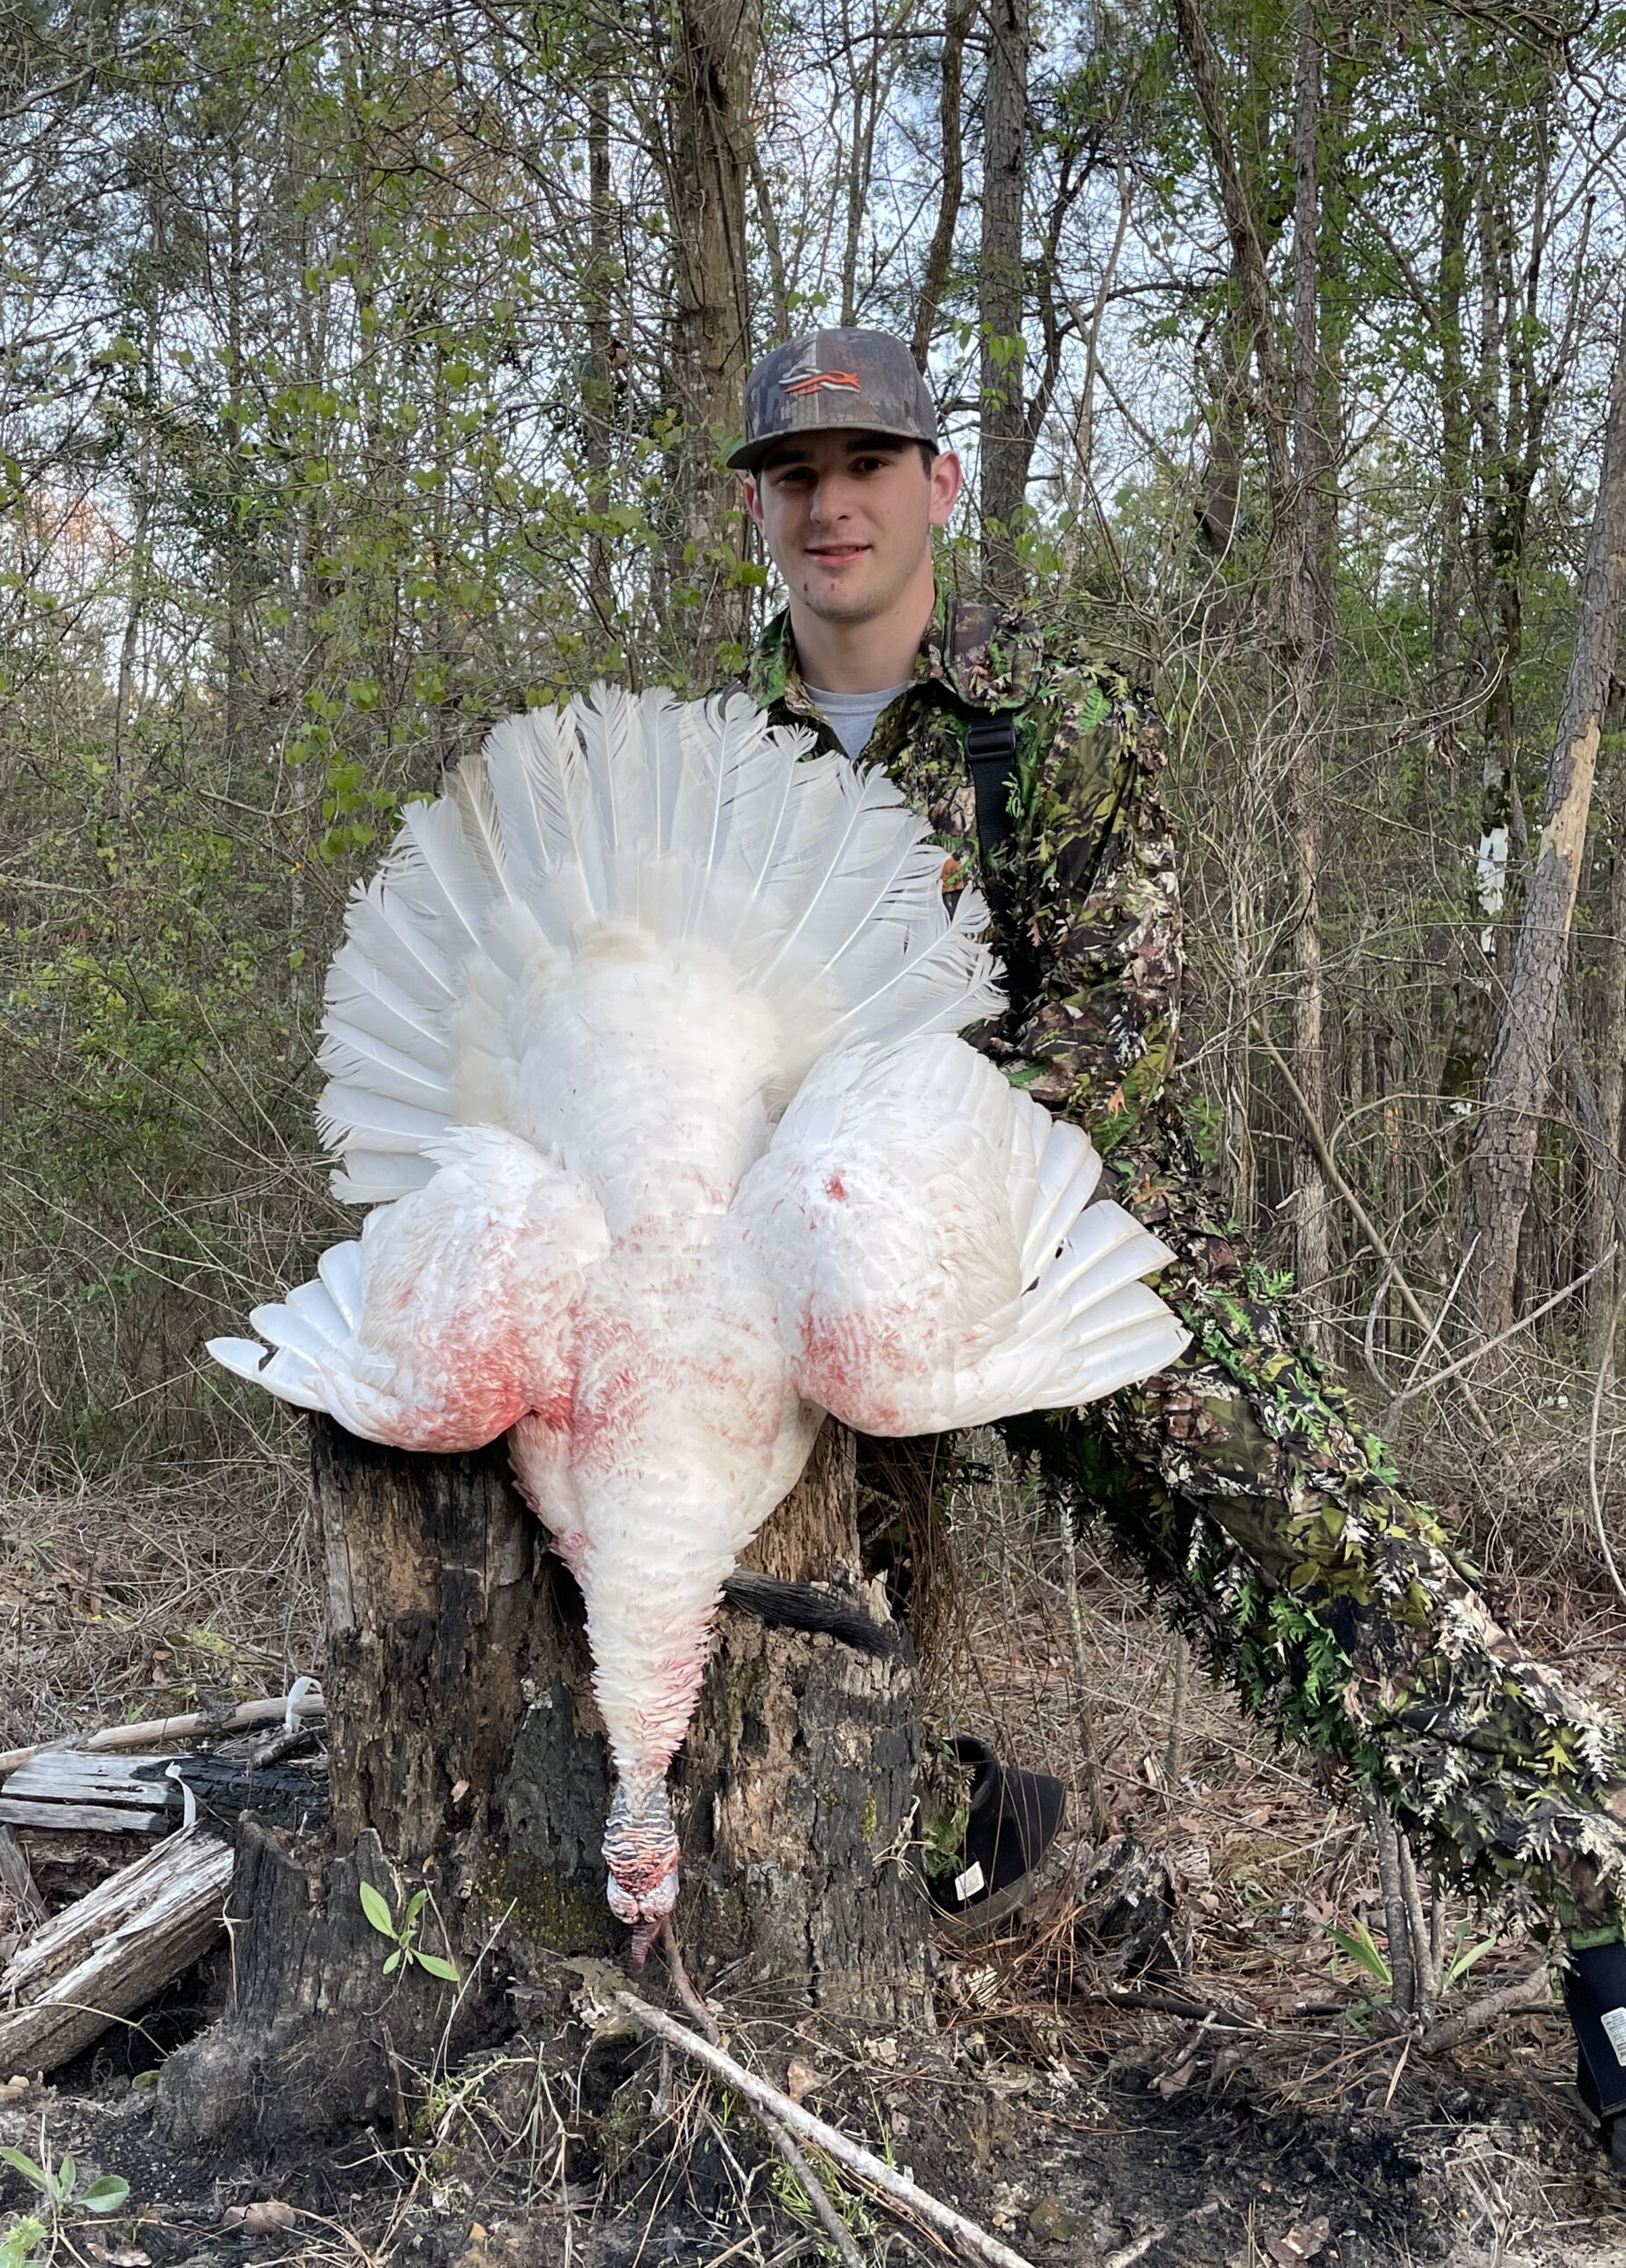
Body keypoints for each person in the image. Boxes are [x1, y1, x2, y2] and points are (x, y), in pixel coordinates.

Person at [728, 324, 1626, 2149]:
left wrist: (906, 1184)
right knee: (755, 1582)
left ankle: (1602, 1897)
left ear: (937, 486)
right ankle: (934, 1835)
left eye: (869, 467)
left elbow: (1113, 1030)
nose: (833, 507)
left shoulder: (1051, 717)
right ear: (762, 510)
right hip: (812, 1280)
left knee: (1333, 1574)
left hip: (1079, 1248)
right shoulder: (715, 758)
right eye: (797, 477)